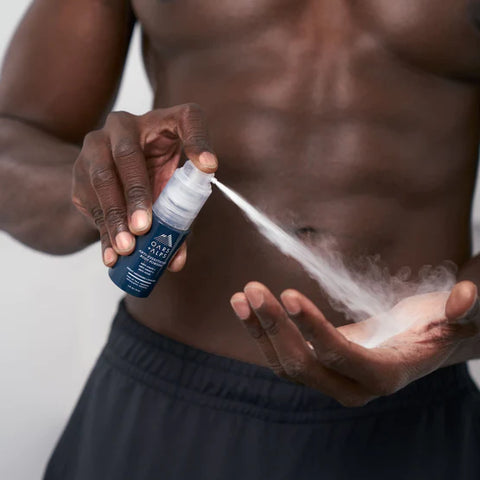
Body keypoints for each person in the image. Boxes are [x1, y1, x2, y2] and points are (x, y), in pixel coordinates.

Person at [1, 1, 480, 478]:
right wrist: (106, 195)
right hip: (166, 403)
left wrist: (456, 329)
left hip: (411, 415)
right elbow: (13, 139)